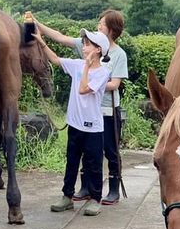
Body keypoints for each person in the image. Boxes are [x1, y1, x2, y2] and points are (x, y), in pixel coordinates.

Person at [35, 11, 128, 205]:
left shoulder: (109, 64)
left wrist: (90, 74)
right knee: (74, 159)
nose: (84, 46)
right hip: (76, 121)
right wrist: (39, 35)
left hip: (104, 113)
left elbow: (88, 88)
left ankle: (105, 193)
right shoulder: (80, 60)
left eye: (102, 24)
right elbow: (57, 54)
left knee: (105, 154)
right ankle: (74, 192)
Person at [30, 24, 111, 216]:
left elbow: (83, 89)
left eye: (88, 44)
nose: (84, 47)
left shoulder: (103, 72)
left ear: (98, 50)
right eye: (84, 43)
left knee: (94, 165)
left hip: (93, 128)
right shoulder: (76, 64)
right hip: (74, 125)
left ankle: (95, 199)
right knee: (71, 162)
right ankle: (67, 196)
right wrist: (41, 42)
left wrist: (86, 67)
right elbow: (55, 60)